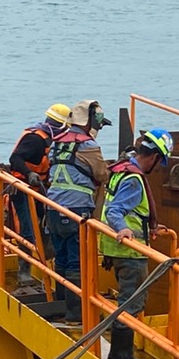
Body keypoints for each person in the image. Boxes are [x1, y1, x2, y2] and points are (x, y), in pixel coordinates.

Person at [97, 127, 174, 359]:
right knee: (131, 302)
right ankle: (121, 356)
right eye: (160, 162)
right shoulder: (133, 179)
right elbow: (115, 210)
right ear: (153, 157)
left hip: (115, 249)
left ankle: (120, 347)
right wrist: (125, 229)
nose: (158, 167)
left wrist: (146, 224)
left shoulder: (122, 169)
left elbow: (127, 209)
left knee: (125, 298)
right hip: (130, 252)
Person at [44, 99, 111, 320]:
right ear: (89, 121)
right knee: (76, 260)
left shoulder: (57, 141)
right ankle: (75, 313)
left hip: (53, 207)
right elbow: (102, 174)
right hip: (77, 209)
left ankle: (62, 304)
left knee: (61, 257)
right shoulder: (89, 145)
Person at [8, 103, 71, 287]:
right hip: (23, 189)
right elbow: (15, 159)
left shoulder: (53, 142)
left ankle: (45, 264)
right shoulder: (35, 140)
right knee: (27, 229)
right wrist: (29, 173)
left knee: (46, 226)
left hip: (40, 190)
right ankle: (24, 271)